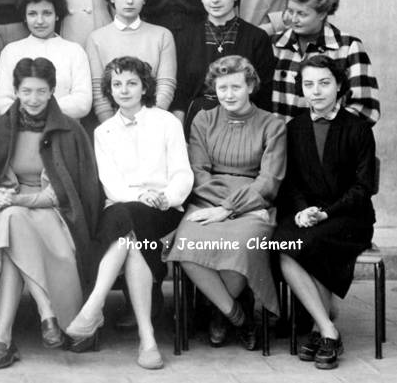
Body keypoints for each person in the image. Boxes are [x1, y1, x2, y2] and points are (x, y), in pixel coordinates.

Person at [69, 56, 192, 369]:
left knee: (127, 223)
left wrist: (165, 197)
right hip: (124, 205)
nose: (124, 90)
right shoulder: (103, 131)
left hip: (163, 210)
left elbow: (182, 172)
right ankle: (147, 338)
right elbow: (111, 183)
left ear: (144, 87)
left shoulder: (168, 122)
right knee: (128, 223)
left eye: (131, 83)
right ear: (109, 90)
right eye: (117, 84)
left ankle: (93, 306)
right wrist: (140, 195)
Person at [0, 57, 102, 369]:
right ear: (16, 91)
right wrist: (0, 194)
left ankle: (2, 338)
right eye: (25, 91)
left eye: (40, 91)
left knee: (10, 228)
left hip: (53, 212)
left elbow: (59, 194)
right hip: (11, 209)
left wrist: (15, 202)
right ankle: (45, 311)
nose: (33, 99)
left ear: (52, 91)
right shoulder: (3, 128)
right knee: (9, 221)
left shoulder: (69, 130)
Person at [165, 55, 285, 350]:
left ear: (251, 87)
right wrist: (220, 207)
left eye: (236, 87)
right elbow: (198, 171)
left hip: (254, 204)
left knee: (243, 244)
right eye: (222, 89)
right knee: (188, 242)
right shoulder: (204, 120)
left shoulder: (273, 124)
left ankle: (218, 314)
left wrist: (231, 209)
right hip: (208, 200)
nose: (229, 95)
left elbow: (269, 179)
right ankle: (238, 317)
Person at [273, 56, 376, 370]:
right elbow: (291, 182)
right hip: (308, 215)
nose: (315, 91)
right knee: (283, 244)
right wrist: (304, 211)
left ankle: (321, 330)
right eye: (308, 84)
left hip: (349, 217)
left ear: (339, 85)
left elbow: (363, 186)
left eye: (324, 82)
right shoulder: (294, 128)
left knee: (314, 242)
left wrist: (326, 213)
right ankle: (326, 326)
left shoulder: (358, 128)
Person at [171, 0, 273, 132]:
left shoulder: (256, 38)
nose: (215, 0)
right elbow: (180, 93)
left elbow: (264, 94)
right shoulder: (185, 37)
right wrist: (179, 134)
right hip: (197, 123)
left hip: (244, 123)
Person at [271, 0, 379, 124]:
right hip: (279, 141)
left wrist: (326, 132)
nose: (294, 19)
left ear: (322, 14)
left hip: (329, 142)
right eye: (291, 11)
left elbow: (365, 108)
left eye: (302, 14)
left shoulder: (348, 47)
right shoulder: (274, 44)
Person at [85, 0, 177, 123]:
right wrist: (114, 128)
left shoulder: (162, 35)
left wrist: (148, 122)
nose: (130, 1)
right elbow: (99, 92)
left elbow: (166, 86)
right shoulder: (96, 38)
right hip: (113, 126)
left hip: (153, 123)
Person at [0, 0, 91, 119]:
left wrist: (39, 109)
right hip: (22, 130)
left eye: (47, 13)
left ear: (57, 15)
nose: (40, 21)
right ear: (24, 17)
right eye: (32, 14)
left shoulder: (74, 51)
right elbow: (2, 103)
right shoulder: (11, 51)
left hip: (65, 130)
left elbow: (83, 102)